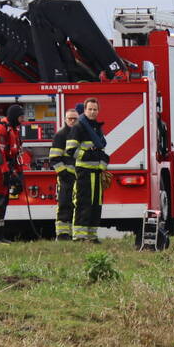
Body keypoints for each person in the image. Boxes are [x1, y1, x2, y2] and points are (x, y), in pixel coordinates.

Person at [66, 98, 109, 242]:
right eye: (89, 109)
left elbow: (101, 148)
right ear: (84, 110)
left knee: (96, 205)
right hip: (84, 173)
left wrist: (103, 160)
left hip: (96, 173)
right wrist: (89, 155)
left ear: (98, 111)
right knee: (83, 204)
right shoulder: (78, 127)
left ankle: (92, 235)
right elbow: (71, 150)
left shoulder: (97, 128)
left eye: (95, 109)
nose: (92, 112)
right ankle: (79, 236)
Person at [0, 104, 25, 244]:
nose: (22, 120)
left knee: (4, 202)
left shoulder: (13, 130)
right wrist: (5, 171)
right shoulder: (1, 129)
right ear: (14, 116)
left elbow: (15, 154)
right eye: (20, 117)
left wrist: (19, 175)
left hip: (6, 169)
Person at [50, 108, 79, 240]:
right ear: (65, 120)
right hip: (66, 177)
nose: (72, 121)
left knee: (77, 205)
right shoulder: (60, 135)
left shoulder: (80, 134)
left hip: (79, 177)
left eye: (75, 119)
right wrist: (64, 174)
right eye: (70, 119)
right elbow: (54, 158)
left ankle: (73, 233)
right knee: (64, 204)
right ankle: (62, 234)